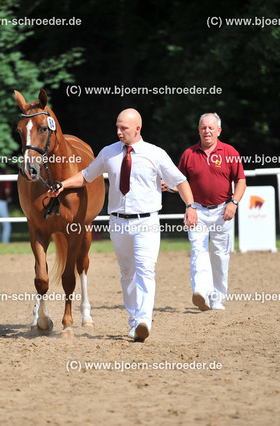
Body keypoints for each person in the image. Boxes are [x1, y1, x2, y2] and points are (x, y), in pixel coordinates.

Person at [48, 108, 197, 342]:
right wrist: (63, 184)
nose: (118, 131)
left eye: (123, 128)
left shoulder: (154, 153)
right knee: (127, 273)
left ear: (137, 129)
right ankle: (133, 321)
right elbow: (87, 174)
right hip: (118, 222)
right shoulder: (109, 152)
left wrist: (191, 206)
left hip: (146, 221)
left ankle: (143, 320)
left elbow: (180, 180)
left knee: (145, 270)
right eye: (117, 127)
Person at [177, 112, 246, 311]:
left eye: (210, 127)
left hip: (222, 211)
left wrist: (234, 203)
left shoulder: (230, 152)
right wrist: (169, 185)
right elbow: (181, 182)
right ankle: (200, 292)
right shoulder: (189, 154)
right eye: (203, 127)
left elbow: (241, 180)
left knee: (220, 255)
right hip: (196, 210)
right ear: (199, 130)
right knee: (198, 251)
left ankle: (217, 298)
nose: (207, 131)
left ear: (218, 131)